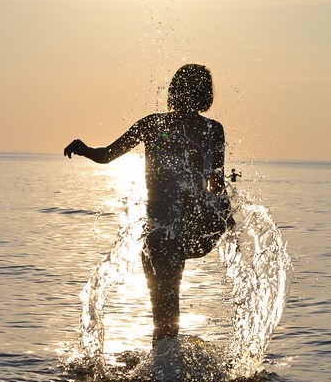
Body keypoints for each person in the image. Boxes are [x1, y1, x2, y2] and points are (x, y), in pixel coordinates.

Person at [64, 64, 234, 346]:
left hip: (162, 235)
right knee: (169, 320)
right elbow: (216, 185)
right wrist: (229, 220)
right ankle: (167, 376)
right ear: (205, 94)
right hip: (197, 233)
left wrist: (82, 148)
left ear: (174, 91)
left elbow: (106, 155)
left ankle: (162, 376)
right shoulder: (213, 129)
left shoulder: (152, 124)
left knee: (165, 322)